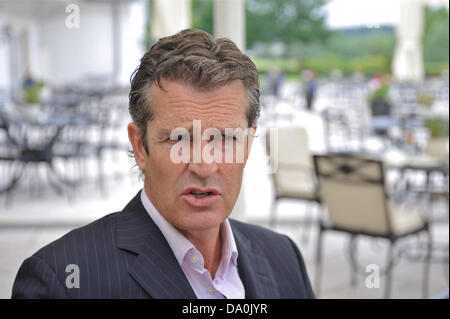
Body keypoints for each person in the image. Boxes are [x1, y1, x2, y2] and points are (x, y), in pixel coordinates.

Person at [11, 29, 314, 299]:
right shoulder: (60, 281)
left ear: (247, 146)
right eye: (179, 140)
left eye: (224, 140)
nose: (204, 166)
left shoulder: (283, 257)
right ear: (139, 146)